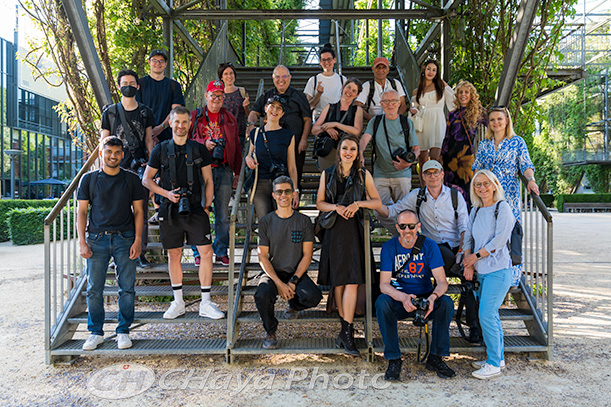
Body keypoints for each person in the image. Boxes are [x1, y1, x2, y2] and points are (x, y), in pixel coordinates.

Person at [377, 160, 481, 343]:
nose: (432, 176)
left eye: (436, 172)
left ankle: (474, 326)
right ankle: (424, 304)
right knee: (433, 256)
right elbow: (393, 210)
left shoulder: (455, 196)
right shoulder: (417, 195)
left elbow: (466, 227)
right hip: (430, 250)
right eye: (428, 173)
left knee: (470, 279)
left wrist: (464, 253)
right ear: (423, 177)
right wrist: (371, 204)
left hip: (457, 248)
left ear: (442, 174)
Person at [142, 106, 224, 320]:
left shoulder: (199, 149)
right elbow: (146, 179)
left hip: (196, 208)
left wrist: (206, 207)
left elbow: (208, 180)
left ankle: (205, 303)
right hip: (170, 210)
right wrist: (166, 194)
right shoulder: (160, 150)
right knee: (174, 254)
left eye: (184, 122)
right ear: (170, 122)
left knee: (206, 252)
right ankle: (178, 302)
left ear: (189, 124)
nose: (180, 126)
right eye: (176, 121)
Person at [77, 136, 146, 350]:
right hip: (96, 239)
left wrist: (137, 240)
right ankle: (95, 332)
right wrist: (82, 241)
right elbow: (81, 211)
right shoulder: (88, 180)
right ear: (101, 153)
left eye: (117, 152)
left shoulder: (132, 179)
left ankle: (123, 330)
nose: (113, 156)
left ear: (122, 155)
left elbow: (139, 211)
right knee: (94, 289)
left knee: (127, 288)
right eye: (108, 152)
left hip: (125, 238)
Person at [317, 135, 382, 356]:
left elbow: (377, 202)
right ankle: (346, 331)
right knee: (341, 283)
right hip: (335, 232)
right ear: (339, 151)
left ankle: (346, 331)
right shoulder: (327, 174)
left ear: (357, 153)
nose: (348, 152)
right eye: (345, 148)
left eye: (353, 149)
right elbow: (319, 203)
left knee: (353, 282)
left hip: (355, 232)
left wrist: (357, 204)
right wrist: (336, 207)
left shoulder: (364, 175)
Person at [376, 210, 456, 381]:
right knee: (382, 302)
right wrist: (403, 297)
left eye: (411, 226)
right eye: (403, 226)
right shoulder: (389, 247)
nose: (407, 230)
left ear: (418, 226)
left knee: (447, 303)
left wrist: (433, 298)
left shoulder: (429, 246)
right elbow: (383, 284)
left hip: (426, 299)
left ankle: (435, 357)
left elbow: (442, 282)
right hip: (401, 299)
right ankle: (394, 359)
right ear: (397, 227)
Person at [472, 106, 539, 285]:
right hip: (487, 194)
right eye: (492, 120)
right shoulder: (484, 144)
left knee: (509, 233)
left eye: (499, 119)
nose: (496, 123)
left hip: (508, 194)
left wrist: (530, 180)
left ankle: (511, 276)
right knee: (489, 231)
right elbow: (477, 167)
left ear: (507, 120)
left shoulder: (517, 142)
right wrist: (477, 187)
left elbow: (526, 164)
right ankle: (486, 272)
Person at [254, 176, 323, 350]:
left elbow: (307, 255)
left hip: (295, 272)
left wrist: (292, 281)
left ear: (293, 194)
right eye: (279, 192)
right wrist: (279, 284)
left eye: (287, 191)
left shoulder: (304, 221)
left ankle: (293, 304)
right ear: (274, 195)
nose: (283, 195)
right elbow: (262, 256)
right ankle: (270, 331)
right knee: (261, 295)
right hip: (273, 272)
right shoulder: (265, 222)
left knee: (314, 297)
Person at [462, 170, 515, 379]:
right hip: (481, 271)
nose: (481, 188)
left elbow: (499, 241)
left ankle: (493, 363)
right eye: (477, 185)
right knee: (490, 315)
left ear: (494, 185)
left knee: (486, 314)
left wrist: (475, 257)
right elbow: (467, 238)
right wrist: (468, 263)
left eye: (485, 184)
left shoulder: (503, 209)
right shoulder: (475, 210)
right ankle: (498, 358)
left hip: (498, 271)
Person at [100, 69, 155, 269]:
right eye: (125, 83)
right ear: (119, 86)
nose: (129, 86)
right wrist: (101, 169)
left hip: (139, 166)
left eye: (132, 83)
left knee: (141, 211)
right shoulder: (110, 112)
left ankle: (140, 252)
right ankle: (117, 255)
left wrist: (152, 164)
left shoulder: (145, 112)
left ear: (137, 86)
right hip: (115, 168)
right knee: (117, 211)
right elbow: (103, 141)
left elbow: (149, 139)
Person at [188, 80, 242, 266]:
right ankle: (199, 251)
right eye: (213, 95)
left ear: (224, 97)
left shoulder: (229, 118)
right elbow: (185, 141)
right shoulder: (196, 116)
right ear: (206, 95)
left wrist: (236, 172)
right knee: (199, 210)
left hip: (223, 170)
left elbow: (236, 145)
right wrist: (204, 144)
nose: (216, 99)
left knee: (223, 214)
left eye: (220, 96)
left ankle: (220, 251)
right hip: (199, 170)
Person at [359, 89, 420, 235]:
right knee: (379, 211)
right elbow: (364, 139)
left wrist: (409, 163)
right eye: (386, 101)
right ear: (381, 104)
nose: (390, 104)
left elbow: (416, 149)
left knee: (405, 212)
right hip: (380, 173)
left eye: (393, 101)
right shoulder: (376, 121)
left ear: (399, 103)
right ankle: (401, 236)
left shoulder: (406, 123)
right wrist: (360, 153)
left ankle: (405, 239)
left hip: (402, 174)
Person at [247, 65, 312, 191]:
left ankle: (294, 202)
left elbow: (307, 119)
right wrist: (250, 125)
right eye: (277, 76)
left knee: (294, 173)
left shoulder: (299, 96)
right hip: (271, 145)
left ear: (290, 78)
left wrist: (304, 139)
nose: (281, 80)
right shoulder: (267, 96)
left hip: (296, 143)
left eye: (284, 76)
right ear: (273, 78)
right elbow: (254, 113)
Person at [245, 96, 299, 220]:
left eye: (279, 108)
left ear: (282, 113)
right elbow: (250, 154)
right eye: (272, 106)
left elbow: (292, 166)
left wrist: (295, 190)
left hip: (282, 184)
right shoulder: (256, 133)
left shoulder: (288, 135)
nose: (275, 110)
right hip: (260, 183)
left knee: (282, 221)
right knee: (264, 221)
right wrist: (248, 158)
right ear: (265, 108)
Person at [441, 80, 486, 205]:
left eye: (466, 92)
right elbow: (447, 137)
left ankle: (467, 221)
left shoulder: (478, 112)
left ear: (471, 95)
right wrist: (441, 156)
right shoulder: (452, 114)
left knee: (467, 190)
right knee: (451, 190)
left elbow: (493, 125)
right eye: (460, 92)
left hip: (466, 158)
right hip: (450, 159)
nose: (463, 95)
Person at [409, 59, 455, 179]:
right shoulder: (416, 91)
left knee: (436, 157)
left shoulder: (440, 85)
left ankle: (439, 187)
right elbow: (414, 108)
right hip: (422, 124)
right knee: (422, 159)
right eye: (429, 68)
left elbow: (454, 102)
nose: (431, 72)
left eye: (434, 70)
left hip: (437, 122)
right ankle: (424, 189)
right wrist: (413, 111)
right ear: (424, 70)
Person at [312, 77, 364, 171]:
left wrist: (336, 124)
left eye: (354, 90)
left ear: (357, 95)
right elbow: (314, 130)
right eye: (348, 87)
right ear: (343, 87)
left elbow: (357, 132)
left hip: (348, 153)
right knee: (327, 181)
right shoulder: (330, 107)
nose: (349, 92)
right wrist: (327, 128)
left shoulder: (357, 110)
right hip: (328, 151)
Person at [136, 49, 185, 145]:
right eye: (154, 60)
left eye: (161, 61)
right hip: (144, 137)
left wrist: (161, 128)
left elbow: (176, 110)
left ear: (165, 64)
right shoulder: (140, 84)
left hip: (167, 137)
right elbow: (136, 109)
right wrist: (150, 133)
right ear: (149, 62)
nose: (158, 63)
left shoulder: (174, 85)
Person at [303, 43, 347, 120]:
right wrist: (318, 94)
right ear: (320, 62)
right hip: (319, 118)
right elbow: (308, 107)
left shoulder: (342, 80)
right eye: (323, 60)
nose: (326, 62)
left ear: (334, 60)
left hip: (338, 118)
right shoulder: (313, 80)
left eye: (329, 59)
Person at [218, 62, 250, 150]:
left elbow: (248, 115)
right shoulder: (218, 94)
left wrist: (246, 107)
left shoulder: (242, 91)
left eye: (231, 73)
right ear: (221, 77)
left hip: (239, 135)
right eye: (226, 74)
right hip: (223, 136)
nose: (229, 76)